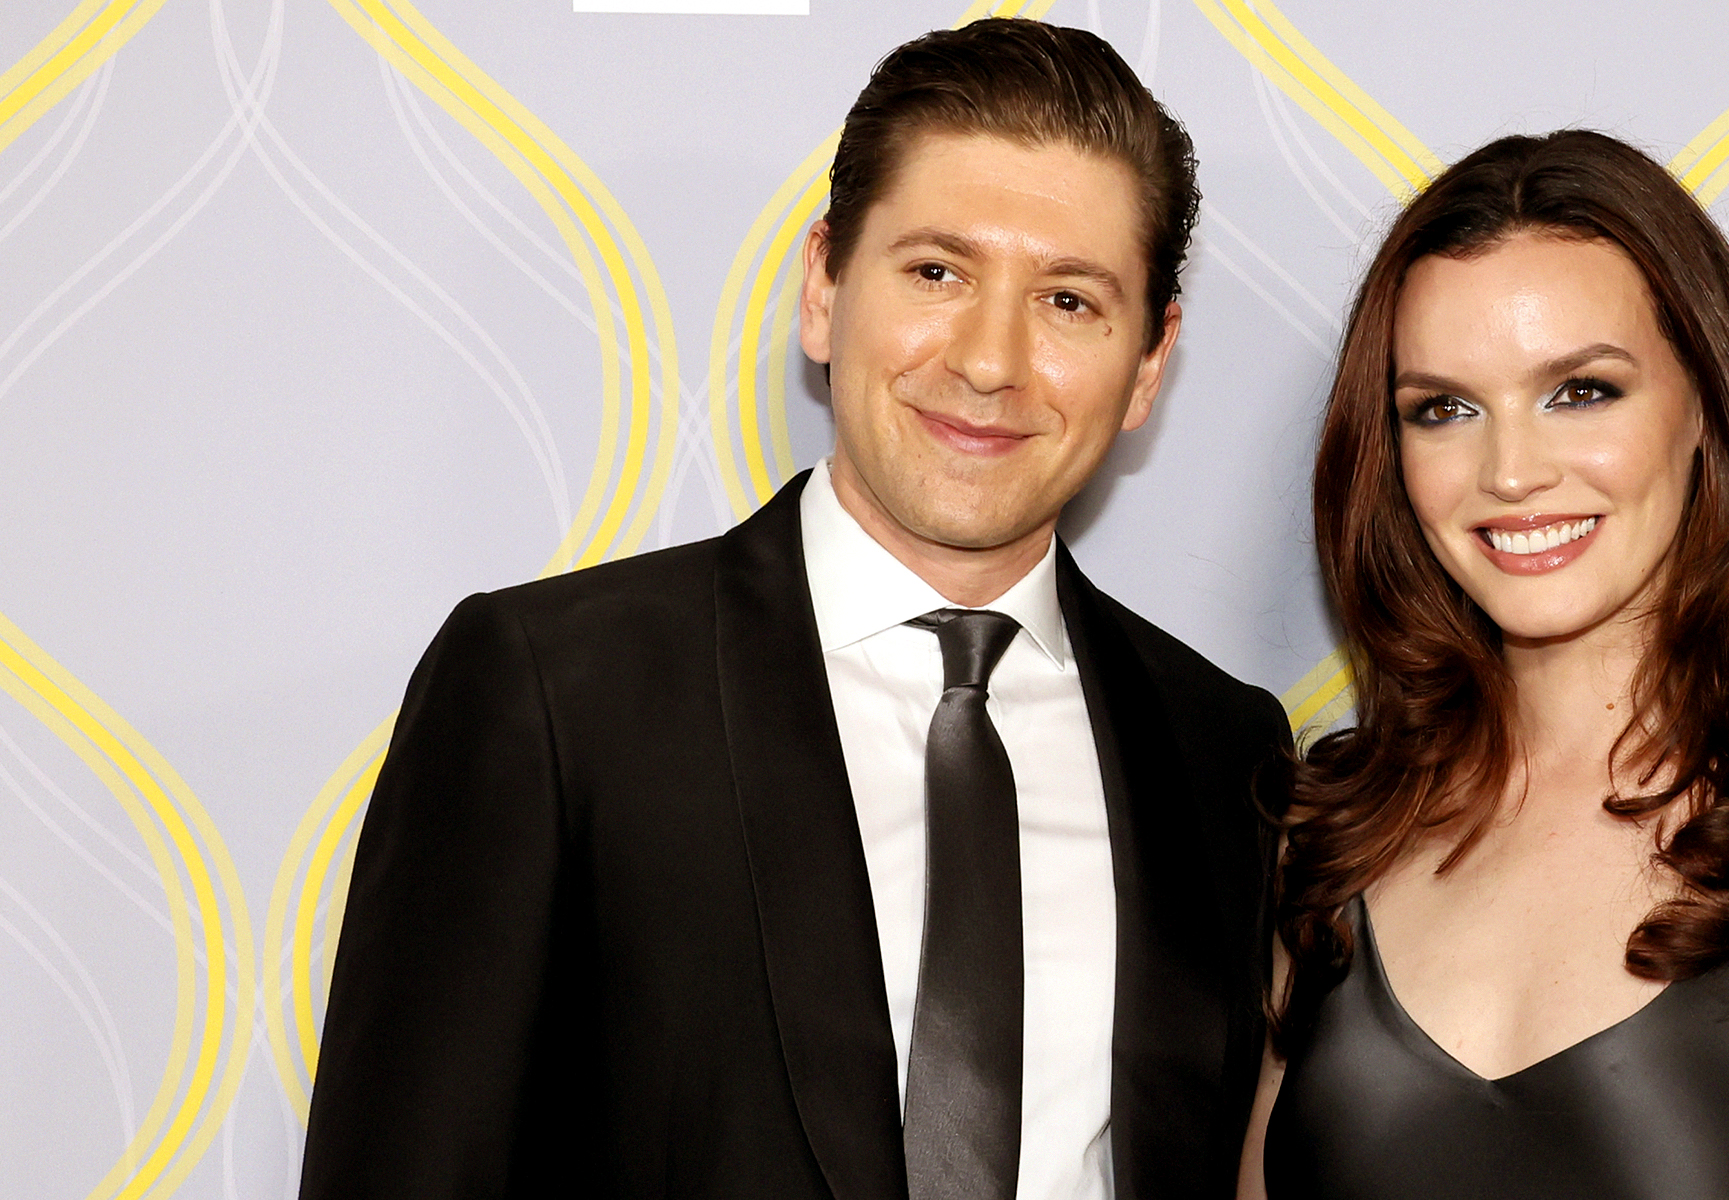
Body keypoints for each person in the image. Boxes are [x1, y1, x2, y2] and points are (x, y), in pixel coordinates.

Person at [299, 20, 1288, 1200]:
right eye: (936, 273)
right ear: (825, 287)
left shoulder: (1224, 752)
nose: (989, 359)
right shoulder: (553, 692)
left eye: (1070, 301)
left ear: (1148, 363)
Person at [1238, 130, 1729, 1198]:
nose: (1512, 472)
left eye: (1580, 391)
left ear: (1705, 403)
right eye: (1444, 409)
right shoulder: (1334, 833)